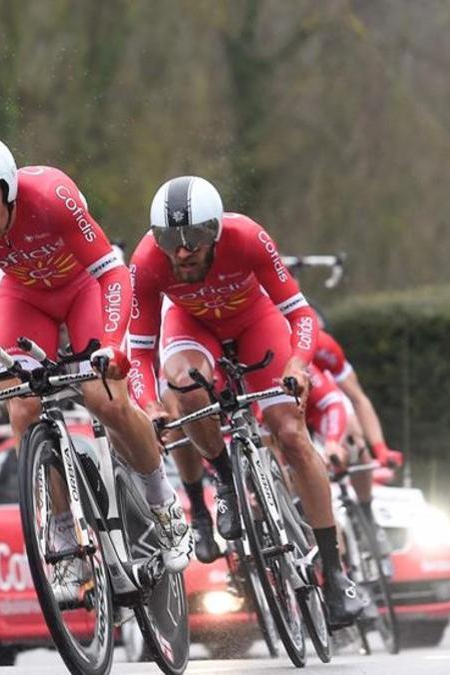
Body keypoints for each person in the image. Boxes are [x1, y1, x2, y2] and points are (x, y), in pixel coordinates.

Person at [0, 132, 192, 578]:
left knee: (103, 397)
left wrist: (110, 343)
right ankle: (64, 528)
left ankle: (163, 501)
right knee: (22, 406)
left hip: (84, 287)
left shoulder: (51, 194)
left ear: (8, 188)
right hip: (24, 298)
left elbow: (111, 272)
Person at [126, 175, 365, 628]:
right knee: (184, 383)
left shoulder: (248, 237)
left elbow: (300, 313)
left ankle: (334, 573)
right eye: (170, 240)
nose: (182, 251)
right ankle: (225, 482)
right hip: (192, 326)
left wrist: (297, 363)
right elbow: (138, 352)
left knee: (292, 434)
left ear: (215, 230)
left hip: (254, 321)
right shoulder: (146, 261)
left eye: (194, 239)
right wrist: (150, 405)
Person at [313, 330, 405, 472]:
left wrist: (380, 449)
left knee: (353, 441)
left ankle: (362, 492)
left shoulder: (323, 345)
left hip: (319, 396)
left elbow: (358, 398)